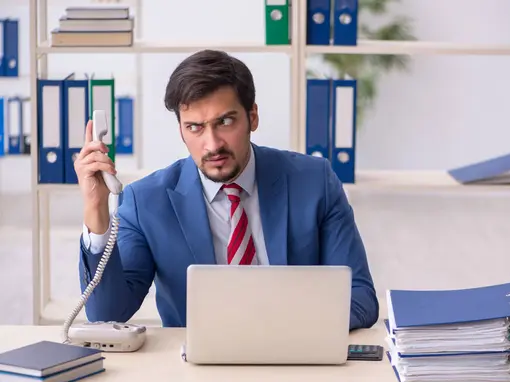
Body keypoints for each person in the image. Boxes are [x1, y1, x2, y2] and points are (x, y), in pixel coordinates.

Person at [75, 49, 379, 331]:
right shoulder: (146, 201)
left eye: (225, 121)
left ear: (252, 117)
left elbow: (361, 298)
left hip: (296, 360)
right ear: (181, 129)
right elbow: (107, 313)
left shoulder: (315, 182)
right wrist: (96, 210)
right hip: (198, 374)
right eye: (195, 127)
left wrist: (280, 329)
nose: (213, 144)